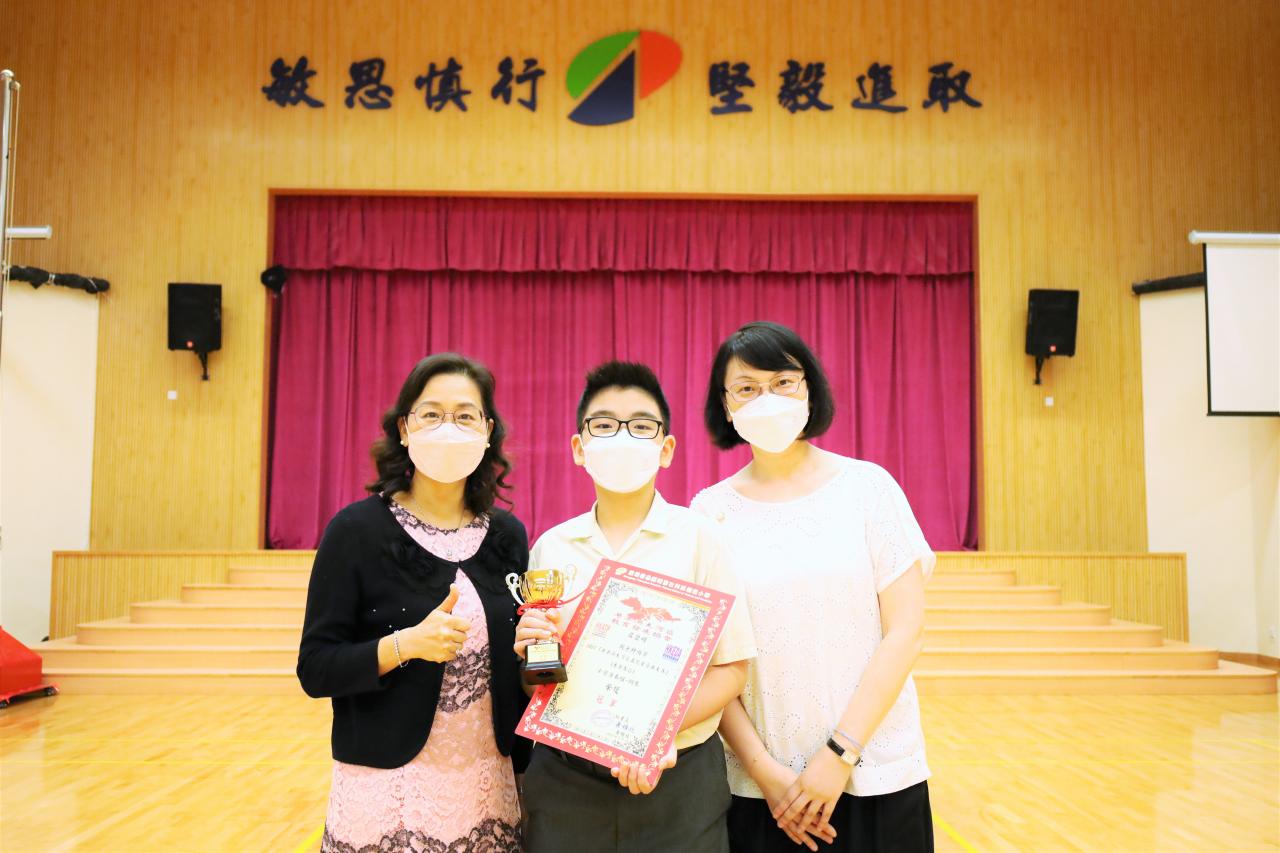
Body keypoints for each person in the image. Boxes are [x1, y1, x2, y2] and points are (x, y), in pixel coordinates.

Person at [690, 321, 935, 853]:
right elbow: (707, 661)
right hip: (763, 790)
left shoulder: (868, 488)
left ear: (809, 389)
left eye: (783, 382)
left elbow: (906, 632)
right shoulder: (708, 513)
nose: (767, 398)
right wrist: (764, 772)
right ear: (726, 406)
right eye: (746, 388)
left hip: (877, 771)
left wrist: (839, 754)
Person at [514, 361, 757, 853]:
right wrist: (530, 657)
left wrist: (651, 733)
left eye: (641, 426)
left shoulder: (701, 539)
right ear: (579, 448)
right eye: (604, 425)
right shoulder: (551, 548)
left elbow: (732, 670)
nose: (622, 438)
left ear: (665, 449)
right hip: (565, 782)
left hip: (679, 778)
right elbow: (536, 683)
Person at [298, 353, 530, 853]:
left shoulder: (508, 537)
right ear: (404, 428)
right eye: (431, 414)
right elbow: (315, 668)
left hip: (488, 787)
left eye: (465, 415)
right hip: (390, 792)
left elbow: (518, 662)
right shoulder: (356, 531)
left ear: (487, 431)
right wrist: (404, 645)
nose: (449, 427)